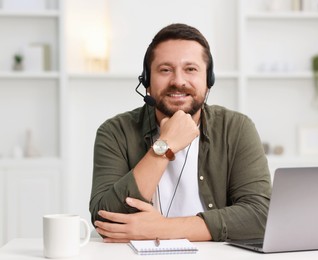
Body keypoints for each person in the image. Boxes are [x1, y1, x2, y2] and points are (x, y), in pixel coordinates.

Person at [90, 23, 271, 242]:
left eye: (191, 69)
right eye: (165, 70)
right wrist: (165, 145)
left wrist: (163, 229)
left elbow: (261, 216)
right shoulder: (115, 132)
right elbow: (105, 221)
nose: (178, 81)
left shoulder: (237, 128)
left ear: (209, 80)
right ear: (147, 81)